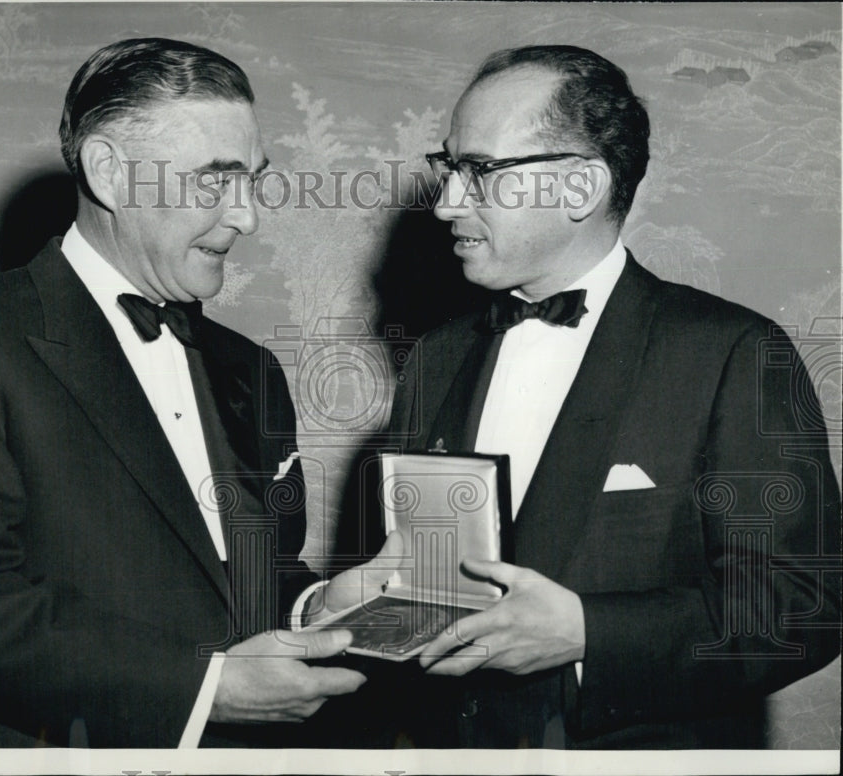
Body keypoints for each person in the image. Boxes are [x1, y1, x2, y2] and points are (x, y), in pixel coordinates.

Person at [0, 37, 395, 748]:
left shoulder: (249, 368)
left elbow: (244, 581)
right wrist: (205, 690)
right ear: (109, 171)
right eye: (213, 181)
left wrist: (319, 606)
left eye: (253, 181)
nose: (249, 217)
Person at [339, 44, 841, 749]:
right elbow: (412, 583)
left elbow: (803, 608)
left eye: (479, 170)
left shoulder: (730, 352)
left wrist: (585, 633)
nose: (449, 201)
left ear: (579, 188)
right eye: (448, 167)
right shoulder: (436, 356)